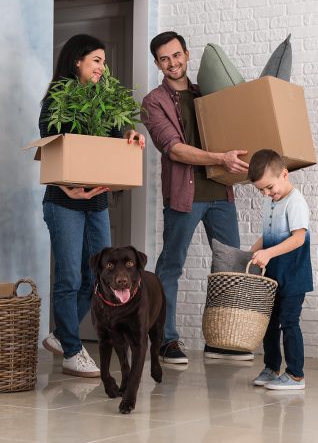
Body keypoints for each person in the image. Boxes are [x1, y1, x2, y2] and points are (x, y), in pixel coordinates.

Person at [141, 31, 253, 364]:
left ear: (186, 55)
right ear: (158, 63)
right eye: (164, 58)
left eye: (176, 55)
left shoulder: (208, 92)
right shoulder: (153, 103)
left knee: (230, 266)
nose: (172, 63)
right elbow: (174, 149)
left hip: (221, 192)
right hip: (184, 196)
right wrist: (220, 158)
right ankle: (166, 340)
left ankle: (221, 340)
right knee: (171, 266)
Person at [40, 34, 145, 378]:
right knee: (69, 276)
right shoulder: (57, 102)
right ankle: (72, 350)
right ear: (77, 62)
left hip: (97, 200)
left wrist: (132, 134)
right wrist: (67, 188)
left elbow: (118, 139)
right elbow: (52, 149)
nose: (103, 67)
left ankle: (60, 334)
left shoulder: (106, 101)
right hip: (63, 202)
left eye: (103, 61)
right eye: (96, 60)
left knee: (98, 275)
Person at [248, 149, 313, 390]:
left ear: (284, 174)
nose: (266, 193)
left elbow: (298, 239)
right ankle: (271, 367)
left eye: (269, 187)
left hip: (294, 275)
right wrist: (252, 252)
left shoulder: (295, 201)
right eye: (261, 190)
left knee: (289, 322)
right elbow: (268, 237)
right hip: (273, 276)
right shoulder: (271, 202)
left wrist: (268, 253)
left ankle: (296, 374)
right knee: (269, 321)